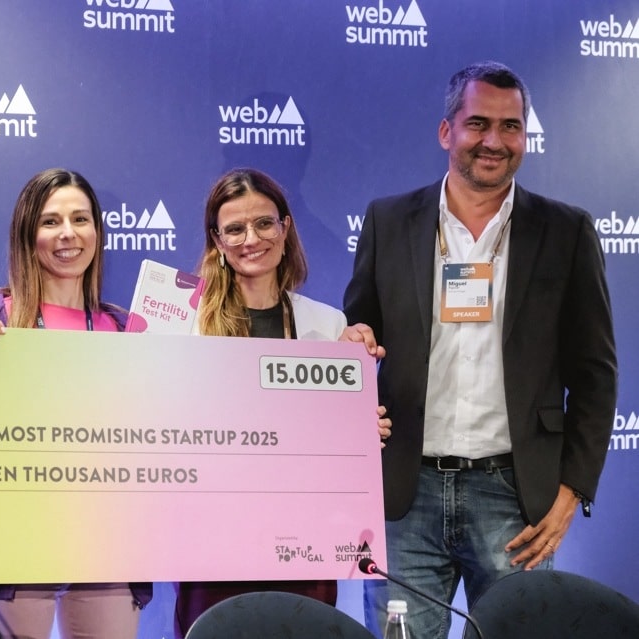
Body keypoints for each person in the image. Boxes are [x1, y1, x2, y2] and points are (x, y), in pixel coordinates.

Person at [343, 61, 617, 639]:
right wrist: (354, 344)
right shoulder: (388, 221)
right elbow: (358, 332)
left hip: (514, 500)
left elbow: (595, 373)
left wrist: (573, 492)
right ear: (448, 131)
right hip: (404, 495)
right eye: (478, 124)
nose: (495, 140)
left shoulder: (566, 231)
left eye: (511, 126)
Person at [174, 167, 391, 639]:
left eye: (264, 224)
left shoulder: (328, 325)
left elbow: (339, 442)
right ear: (217, 240)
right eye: (235, 229)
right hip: (214, 543)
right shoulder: (186, 325)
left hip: (304, 544)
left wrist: (361, 429)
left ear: (285, 228)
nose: (251, 239)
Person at [0, 168, 153, 639]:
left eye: (80, 219)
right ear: (27, 234)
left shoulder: (129, 331)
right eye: (50, 221)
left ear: (97, 232)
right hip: (13, 540)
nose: (67, 234)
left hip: (107, 541)